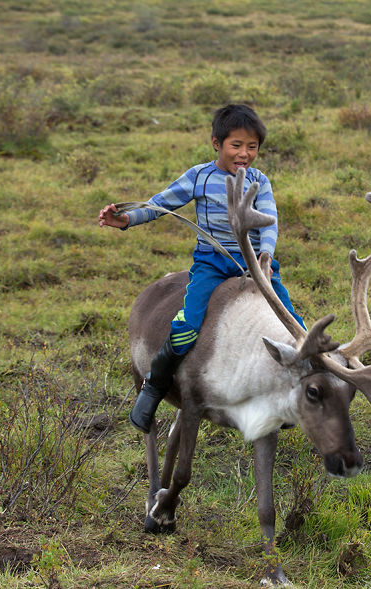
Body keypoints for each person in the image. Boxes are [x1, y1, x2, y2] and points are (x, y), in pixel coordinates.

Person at [98, 104, 306, 433]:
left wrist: (265, 257)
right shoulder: (198, 177)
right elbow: (158, 205)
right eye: (236, 145)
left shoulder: (259, 181)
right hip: (212, 262)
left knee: (296, 330)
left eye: (252, 147)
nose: (245, 154)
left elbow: (269, 222)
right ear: (216, 143)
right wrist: (125, 219)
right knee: (186, 327)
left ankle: (292, 394)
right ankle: (152, 389)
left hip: (256, 264)